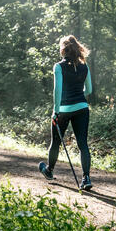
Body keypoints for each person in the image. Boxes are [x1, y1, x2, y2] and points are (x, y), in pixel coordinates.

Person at [39, 35, 93, 190]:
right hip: (82, 108)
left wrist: (55, 111)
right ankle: (86, 178)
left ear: (63, 49)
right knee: (83, 144)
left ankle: (49, 171)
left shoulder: (58, 67)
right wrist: (78, 93)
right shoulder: (85, 66)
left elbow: (58, 91)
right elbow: (89, 90)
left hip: (63, 110)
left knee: (55, 142)